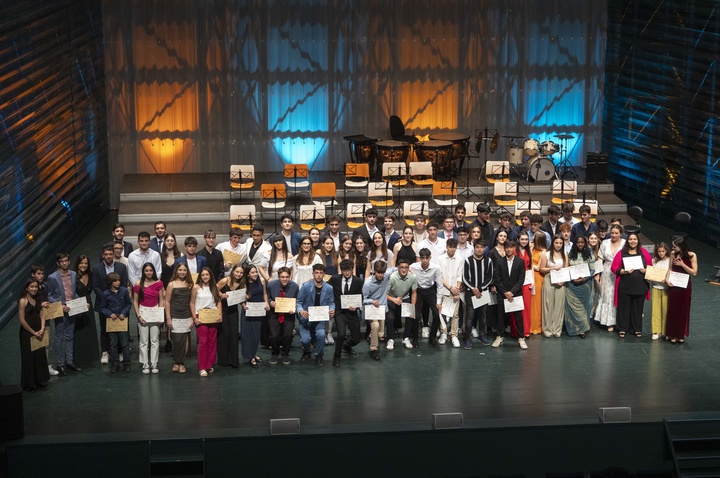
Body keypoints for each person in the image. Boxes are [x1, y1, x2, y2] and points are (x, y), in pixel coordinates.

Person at [47, 252, 84, 375]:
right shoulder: (52, 277)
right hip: (60, 311)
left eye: (66, 261)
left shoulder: (73, 274)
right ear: (58, 263)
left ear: (69, 261)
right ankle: (60, 364)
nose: (64, 263)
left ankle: (69, 362)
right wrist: (60, 306)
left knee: (70, 336)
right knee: (59, 338)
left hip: (72, 310)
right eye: (61, 261)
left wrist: (81, 304)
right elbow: (49, 296)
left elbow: (74, 293)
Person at [92, 245, 129, 365]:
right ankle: (105, 351)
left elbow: (123, 284)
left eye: (110, 254)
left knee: (121, 329)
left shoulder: (122, 267)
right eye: (106, 254)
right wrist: (106, 297)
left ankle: (120, 352)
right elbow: (95, 286)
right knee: (104, 329)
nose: (108, 256)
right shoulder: (97, 268)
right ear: (102, 255)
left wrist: (116, 297)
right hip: (104, 304)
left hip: (120, 303)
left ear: (113, 254)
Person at [611, 233, 652, 338]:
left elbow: (651, 267)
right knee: (623, 308)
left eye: (635, 239)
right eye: (630, 239)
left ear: (638, 241)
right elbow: (614, 267)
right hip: (625, 285)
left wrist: (645, 270)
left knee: (637, 308)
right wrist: (623, 271)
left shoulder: (644, 252)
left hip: (640, 286)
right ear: (627, 241)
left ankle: (636, 328)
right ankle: (622, 328)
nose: (632, 241)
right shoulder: (621, 253)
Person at [296, 264, 335, 366]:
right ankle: (307, 352)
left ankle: (319, 355)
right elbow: (298, 302)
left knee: (321, 335)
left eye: (321, 273)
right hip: (306, 318)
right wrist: (300, 311)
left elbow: (331, 302)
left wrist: (332, 309)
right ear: (313, 274)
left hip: (319, 318)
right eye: (316, 273)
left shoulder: (329, 288)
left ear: (324, 274)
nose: (318, 275)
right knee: (305, 340)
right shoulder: (306, 286)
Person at [327, 259, 365, 366]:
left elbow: (360, 296)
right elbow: (325, 287)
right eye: (344, 270)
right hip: (339, 311)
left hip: (352, 312)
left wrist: (357, 305)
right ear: (341, 271)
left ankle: (347, 346)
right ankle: (337, 357)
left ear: (352, 270)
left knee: (357, 338)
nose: (346, 272)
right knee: (341, 334)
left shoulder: (358, 281)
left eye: (348, 270)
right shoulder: (335, 279)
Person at [492, 240, 528, 349]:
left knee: (518, 317)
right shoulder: (499, 261)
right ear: (504, 248)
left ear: (514, 248)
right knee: (500, 316)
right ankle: (500, 336)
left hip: (515, 293)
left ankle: (521, 338)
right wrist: (505, 292)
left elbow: (521, 280)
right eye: (507, 247)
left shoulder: (520, 262)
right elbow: (497, 279)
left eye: (511, 247)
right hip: (502, 293)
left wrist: (512, 292)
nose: (509, 249)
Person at [664, 236, 698, 344]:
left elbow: (694, 272)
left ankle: (680, 335)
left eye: (675, 246)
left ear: (681, 246)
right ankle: (672, 334)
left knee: (682, 310)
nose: (673, 248)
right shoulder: (673, 254)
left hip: (685, 286)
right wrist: (666, 279)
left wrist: (682, 264)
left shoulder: (692, 255)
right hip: (674, 285)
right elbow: (670, 268)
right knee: (673, 309)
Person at [133, 262, 165, 374]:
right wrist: (138, 316)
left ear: (154, 271)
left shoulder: (159, 283)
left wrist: (160, 314)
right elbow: (135, 301)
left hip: (155, 311)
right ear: (143, 272)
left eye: (150, 270)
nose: (149, 272)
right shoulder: (138, 283)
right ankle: (145, 363)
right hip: (143, 312)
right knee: (143, 340)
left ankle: (154, 363)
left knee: (155, 340)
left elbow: (161, 299)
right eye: (146, 270)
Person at [462, 239, 494, 349]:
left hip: (483, 292)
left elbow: (490, 278)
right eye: (477, 247)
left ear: (484, 249)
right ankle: (468, 338)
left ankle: (482, 335)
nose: (479, 249)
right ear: (474, 248)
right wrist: (473, 289)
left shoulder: (488, 261)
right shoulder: (467, 260)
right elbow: (464, 277)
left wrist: (480, 288)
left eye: (482, 247)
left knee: (483, 315)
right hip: (470, 292)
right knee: (470, 316)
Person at [18, 279, 49, 391]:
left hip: (38, 331)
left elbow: (42, 314)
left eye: (35, 287)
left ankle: (39, 380)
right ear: (26, 288)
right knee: (29, 357)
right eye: (31, 287)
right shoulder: (23, 300)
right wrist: (34, 332)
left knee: (39, 355)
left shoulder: (38, 299)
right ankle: (30, 383)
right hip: (27, 333)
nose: (34, 289)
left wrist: (42, 328)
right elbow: (22, 320)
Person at [191, 267, 222, 377]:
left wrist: (220, 315)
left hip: (213, 316)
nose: (205, 277)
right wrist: (194, 317)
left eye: (207, 274)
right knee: (203, 342)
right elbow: (192, 303)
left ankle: (209, 364)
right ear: (200, 276)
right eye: (203, 275)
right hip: (201, 316)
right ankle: (202, 367)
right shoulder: (196, 287)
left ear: (210, 276)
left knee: (212, 341)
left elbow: (218, 302)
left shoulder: (215, 287)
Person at [362, 260, 395, 360]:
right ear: (374, 271)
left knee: (380, 333)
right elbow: (364, 299)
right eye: (378, 273)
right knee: (375, 325)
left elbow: (394, 269)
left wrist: (409, 270)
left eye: (382, 273)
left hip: (382, 309)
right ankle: (374, 350)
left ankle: (370, 336)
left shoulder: (386, 275)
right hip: (371, 308)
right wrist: (372, 301)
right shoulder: (367, 283)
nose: (380, 275)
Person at [410, 248, 442, 348]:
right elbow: (403, 269)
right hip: (418, 291)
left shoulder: (435, 268)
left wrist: (439, 301)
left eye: (426, 258)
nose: (424, 260)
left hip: (430, 291)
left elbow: (440, 285)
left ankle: (432, 337)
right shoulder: (413, 267)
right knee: (416, 316)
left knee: (436, 315)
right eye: (422, 258)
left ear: (430, 258)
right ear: (419, 258)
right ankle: (415, 339)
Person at [266, 267, 299, 365]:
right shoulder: (271, 285)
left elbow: (298, 300)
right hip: (274, 314)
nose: (284, 279)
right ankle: (275, 353)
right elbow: (266, 297)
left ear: (290, 276)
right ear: (278, 277)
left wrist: (294, 309)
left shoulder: (295, 286)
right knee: (274, 335)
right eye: (282, 277)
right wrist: (270, 302)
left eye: (287, 277)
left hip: (289, 314)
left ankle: (285, 353)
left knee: (288, 335)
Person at [595, 224, 625, 332]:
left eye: (616, 233)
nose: (614, 235)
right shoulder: (604, 243)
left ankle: (618, 321)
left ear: (620, 234)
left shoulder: (624, 244)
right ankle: (608, 322)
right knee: (607, 295)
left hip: (620, 272)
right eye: (612, 233)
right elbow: (599, 259)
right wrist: (597, 274)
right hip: (607, 272)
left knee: (617, 295)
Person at [165, 263, 194, 374]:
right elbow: (167, 302)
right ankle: (176, 362)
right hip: (174, 316)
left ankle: (181, 363)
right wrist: (168, 318)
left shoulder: (190, 284)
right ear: (176, 271)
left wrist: (192, 317)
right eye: (180, 270)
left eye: (184, 270)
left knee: (184, 339)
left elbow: (192, 302)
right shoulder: (171, 285)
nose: (182, 272)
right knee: (176, 340)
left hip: (187, 315)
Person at [101, 272, 132, 373]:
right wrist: (110, 314)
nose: (118, 282)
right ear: (110, 282)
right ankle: (115, 364)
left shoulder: (123, 291)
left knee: (124, 343)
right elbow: (103, 307)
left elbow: (128, 304)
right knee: (113, 343)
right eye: (115, 281)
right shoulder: (106, 294)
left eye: (119, 280)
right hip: (112, 323)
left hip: (122, 321)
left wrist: (124, 313)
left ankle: (127, 363)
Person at [564, 236, 594, 338]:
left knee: (584, 308)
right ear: (575, 243)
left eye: (582, 242)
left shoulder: (590, 255)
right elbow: (567, 268)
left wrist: (584, 278)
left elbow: (592, 270)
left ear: (585, 243)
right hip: (572, 285)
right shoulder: (570, 254)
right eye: (578, 242)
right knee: (572, 308)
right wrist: (572, 279)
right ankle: (572, 328)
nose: (580, 244)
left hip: (585, 284)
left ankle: (582, 329)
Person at [73, 255, 99, 367]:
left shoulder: (90, 275)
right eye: (81, 263)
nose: (83, 265)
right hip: (77, 305)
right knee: (79, 332)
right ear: (77, 264)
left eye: (86, 263)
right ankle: (79, 359)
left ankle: (90, 358)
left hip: (88, 304)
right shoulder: (73, 276)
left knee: (89, 329)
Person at [539, 235, 568, 338]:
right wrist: (552, 268)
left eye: (560, 243)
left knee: (559, 306)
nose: (558, 245)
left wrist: (563, 281)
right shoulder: (546, 255)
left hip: (561, 282)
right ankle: (547, 330)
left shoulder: (565, 254)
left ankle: (557, 330)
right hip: (549, 280)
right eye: (556, 243)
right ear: (552, 243)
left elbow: (566, 269)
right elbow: (541, 268)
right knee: (548, 304)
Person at [437, 238, 464, 347]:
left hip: (455, 291)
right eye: (450, 247)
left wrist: (456, 290)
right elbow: (440, 276)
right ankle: (443, 333)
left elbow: (459, 275)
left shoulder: (460, 259)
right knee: (442, 313)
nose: (452, 249)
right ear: (446, 247)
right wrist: (450, 288)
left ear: (456, 248)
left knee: (455, 314)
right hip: (444, 289)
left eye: (454, 247)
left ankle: (454, 335)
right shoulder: (440, 259)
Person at [386, 258, 418, 350]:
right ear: (398, 268)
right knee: (390, 318)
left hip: (405, 297)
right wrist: (394, 299)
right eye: (401, 267)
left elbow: (414, 292)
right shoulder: (392, 277)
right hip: (392, 298)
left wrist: (412, 307)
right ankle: (391, 339)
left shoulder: (412, 277)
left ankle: (406, 338)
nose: (404, 269)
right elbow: (384, 293)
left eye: (406, 267)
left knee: (410, 316)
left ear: (408, 268)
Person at [217, 264, 245, 368]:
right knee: (225, 334)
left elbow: (240, 299)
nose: (239, 274)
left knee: (233, 334)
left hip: (233, 311)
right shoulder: (225, 280)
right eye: (237, 272)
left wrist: (243, 304)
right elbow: (215, 289)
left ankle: (233, 361)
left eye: (241, 273)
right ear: (233, 271)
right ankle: (223, 360)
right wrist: (221, 295)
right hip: (223, 310)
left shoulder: (242, 284)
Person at [240, 265, 269, 368]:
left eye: (256, 272)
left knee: (256, 334)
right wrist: (243, 304)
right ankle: (250, 357)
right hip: (248, 312)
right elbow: (240, 299)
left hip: (259, 311)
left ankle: (254, 353)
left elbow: (265, 294)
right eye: (252, 272)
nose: (255, 274)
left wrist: (266, 303)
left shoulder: (262, 280)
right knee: (248, 335)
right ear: (248, 274)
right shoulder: (243, 284)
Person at [649, 242, 670, 340]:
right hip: (656, 287)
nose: (661, 253)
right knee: (655, 310)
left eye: (663, 251)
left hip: (666, 288)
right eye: (659, 251)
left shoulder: (670, 261)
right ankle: (656, 331)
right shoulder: (654, 261)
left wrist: (667, 280)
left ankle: (666, 331)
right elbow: (650, 273)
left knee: (666, 310)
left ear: (666, 251)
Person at [513, 232, 532, 339]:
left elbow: (531, 267)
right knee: (516, 306)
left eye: (526, 239)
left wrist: (532, 281)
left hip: (527, 281)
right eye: (522, 239)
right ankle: (516, 331)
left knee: (526, 306)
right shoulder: (514, 251)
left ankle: (525, 330)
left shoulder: (529, 251)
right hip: (516, 281)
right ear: (518, 240)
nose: (524, 241)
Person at [529, 233, 548, 335]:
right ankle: (530, 324)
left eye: (534, 237)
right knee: (531, 302)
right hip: (530, 276)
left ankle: (536, 326)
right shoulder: (532, 249)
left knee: (536, 303)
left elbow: (539, 267)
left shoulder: (543, 252)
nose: (532, 238)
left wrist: (528, 262)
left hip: (537, 278)